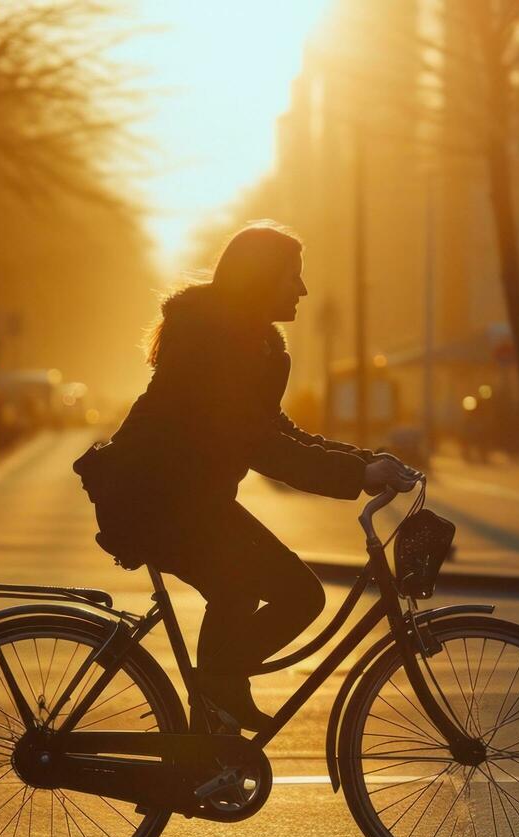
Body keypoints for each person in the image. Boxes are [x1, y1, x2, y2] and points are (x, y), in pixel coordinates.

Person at [74, 223, 418, 731]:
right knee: (289, 593)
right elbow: (259, 445)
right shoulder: (218, 343)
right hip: (152, 502)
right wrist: (358, 473)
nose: (302, 289)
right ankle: (215, 698)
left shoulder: (247, 342)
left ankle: (213, 720)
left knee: (257, 590)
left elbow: (271, 429)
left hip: (184, 501)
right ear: (260, 279)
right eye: (292, 276)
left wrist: (362, 460)